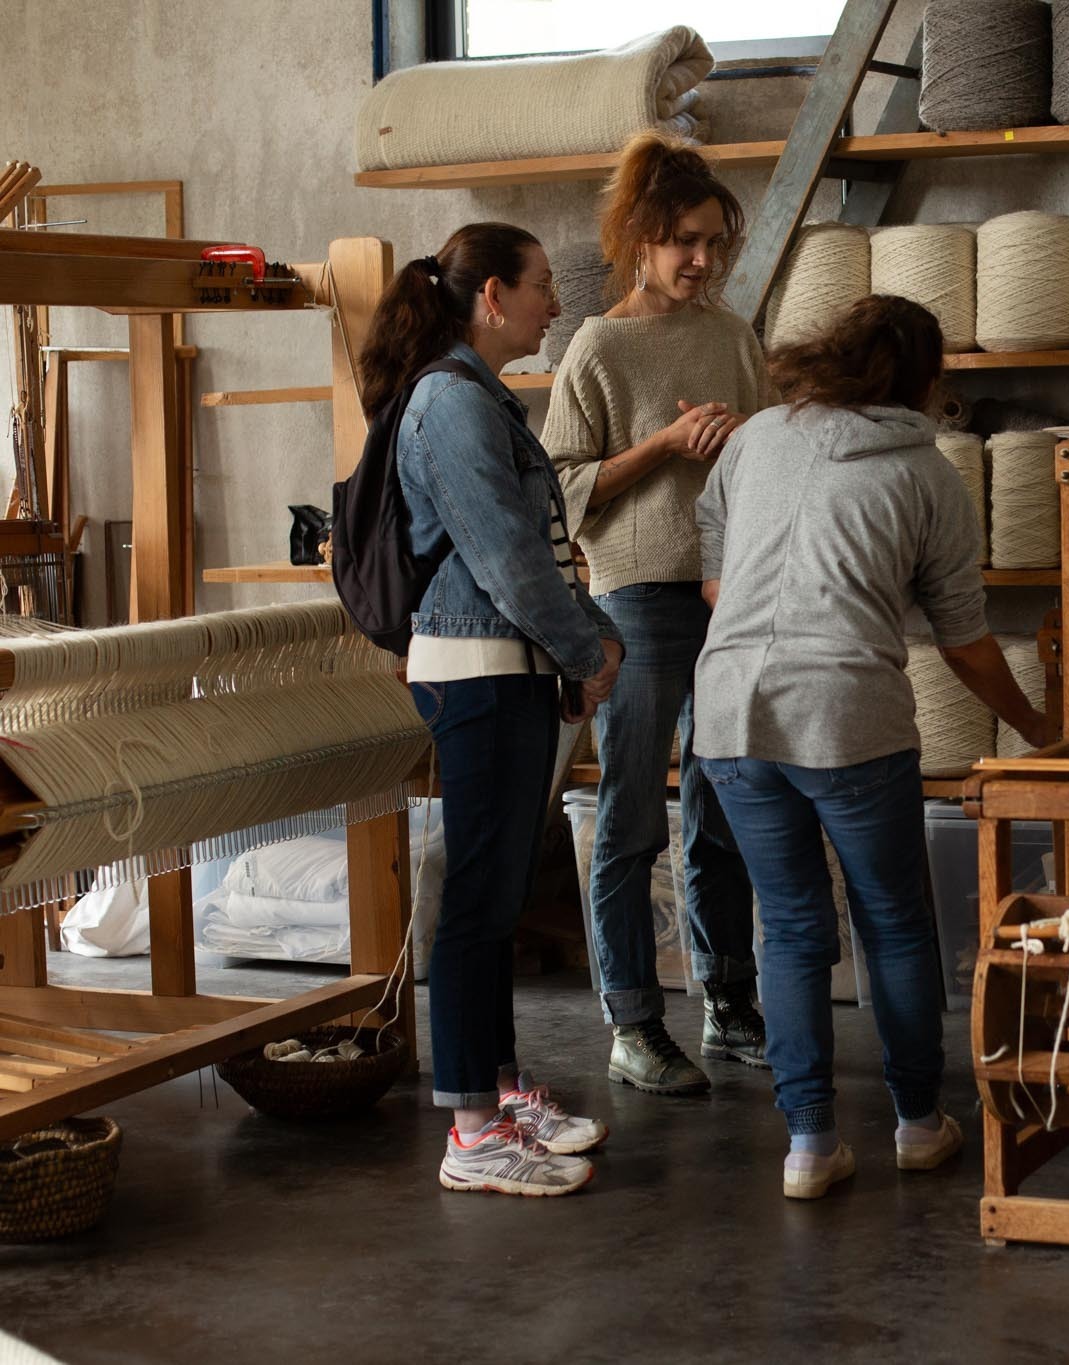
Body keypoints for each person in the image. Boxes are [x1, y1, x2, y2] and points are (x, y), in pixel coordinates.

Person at [692, 295, 1051, 1200]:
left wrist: (750, 618)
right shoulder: (927, 476)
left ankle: (808, 1146)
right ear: (927, 381)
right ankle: (918, 1124)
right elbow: (966, 641)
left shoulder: (757, 437)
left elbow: (712, 551)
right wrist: (1041, 730)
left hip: (729, 709)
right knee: (892, 919)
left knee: (792, 925)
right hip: (848, 715)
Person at [362, 222, 623, 1196]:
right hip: (475, 671)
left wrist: (583, 636)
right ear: (491, 299)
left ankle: (499, 1092)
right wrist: (584, 649)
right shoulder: (450, 405)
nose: (556, 305)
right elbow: (506, 558)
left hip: (502, 668)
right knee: (475, 902)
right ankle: (471, 1134)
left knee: (494, 897)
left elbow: (531, 548)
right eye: (543, 286)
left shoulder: (478, 398)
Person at [543, 131, 771, 1095]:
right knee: (633, 820)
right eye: (683, 240)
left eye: (715, 242)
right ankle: (633, 1024)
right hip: (635, 599)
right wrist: (664, 443)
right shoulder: (598, 345)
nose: (703, 261)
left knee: (723, 813)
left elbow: (768, 458)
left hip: (730, 592)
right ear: (639, 238)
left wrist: (730, 447)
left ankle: (727, 1006)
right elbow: (555, 487)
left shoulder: (730, 334)